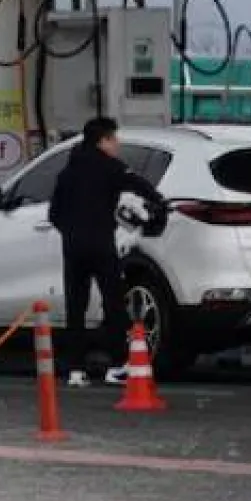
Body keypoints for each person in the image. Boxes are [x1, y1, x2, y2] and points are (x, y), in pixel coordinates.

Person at [48, 117, 167, 387]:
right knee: (113, 302)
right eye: (114, 139)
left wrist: (71, 231)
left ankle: (76, 369)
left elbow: (54, 213)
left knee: (75, 307)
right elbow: (138, 184)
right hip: (102, 244)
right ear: (102, 141)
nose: (117, 144)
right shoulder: (110, 167)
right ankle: (116, 365)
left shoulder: (67, 172)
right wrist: (158, 200)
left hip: (73, 246)